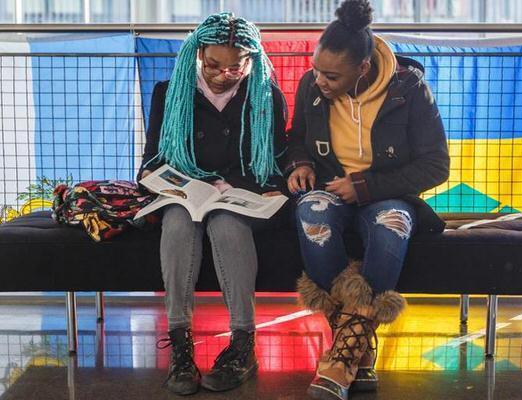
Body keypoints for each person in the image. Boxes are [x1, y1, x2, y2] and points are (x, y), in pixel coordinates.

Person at [285, 1, 450, 399]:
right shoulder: (311, 85)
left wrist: (365, 187)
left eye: (331, 75)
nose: (319, 81)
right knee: (311, 212)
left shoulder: (409, 90)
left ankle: (345, 352)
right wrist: (300, 162)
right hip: (329, 190)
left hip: (388, 194)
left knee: (390, 226)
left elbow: (436, 166)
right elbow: (294, 139)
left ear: (362, 69)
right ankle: (357, 345)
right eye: (316, 69)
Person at [138, 12, 288, 396]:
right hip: (186, 196)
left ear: (252, 60)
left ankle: (242, 345)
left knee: (227, 225)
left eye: (236, 66)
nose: (224, 74)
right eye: (213, 65)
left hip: (241, 199)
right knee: (176, 223)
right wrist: (191, 184)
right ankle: (181, 346)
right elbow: (151, 162)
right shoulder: (168, 94)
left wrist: (239, 186)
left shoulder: (267, 96)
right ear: (197, 54)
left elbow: (272, 163)